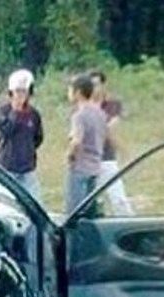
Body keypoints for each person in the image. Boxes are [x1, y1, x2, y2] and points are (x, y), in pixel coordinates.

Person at [89, 71, 134, 216]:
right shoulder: (84, 106)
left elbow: (109, 128)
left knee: (118, 197)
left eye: (96, 84)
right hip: (89, 158)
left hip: (107, 157)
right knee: (92, 201)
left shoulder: (112, 105)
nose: (94, 88)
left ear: (103, 85)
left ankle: (128, 222)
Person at [0, 69, 44, 199]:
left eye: (24, 91)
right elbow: (5, 132)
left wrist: (28, 150)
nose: (21, 95)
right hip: (8, 167)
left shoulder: (33, 114)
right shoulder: (3, 112)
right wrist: (15, 112)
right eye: (18, 91)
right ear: (11, 92)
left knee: (34, 201)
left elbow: (38, 138)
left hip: (27, 168)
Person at [64, 74, 107, 217]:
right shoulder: (100, 114)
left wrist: (69, 155)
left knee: (74, 212)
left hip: (80, 167)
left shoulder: (79, 116)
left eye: (70, 90)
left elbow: (77, 140)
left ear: (77, 93)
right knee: (90, 211)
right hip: (95, 167)